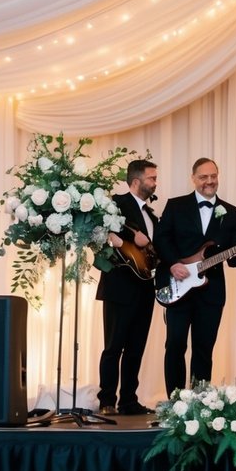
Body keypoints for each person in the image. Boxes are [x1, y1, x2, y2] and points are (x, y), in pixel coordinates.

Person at [154, 158, 236, 395]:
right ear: (193, 178)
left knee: (204, 349)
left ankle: (199, 402)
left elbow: (233, 260)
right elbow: (161, 240)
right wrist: (174, 264)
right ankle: (175, 400)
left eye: (213, 176)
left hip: (211, 292)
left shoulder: (232, 213)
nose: (209, 181)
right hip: (178, 286)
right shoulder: (176, 206)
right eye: (203, 177)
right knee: (175, 345)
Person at [95, 159, 159, 416]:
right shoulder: (115, 203)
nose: (155, 183)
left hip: (146, 288)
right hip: (120, 288)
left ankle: (129, 400)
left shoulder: (152, 215)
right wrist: (131, 237)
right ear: (135, 181)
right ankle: (107, 400)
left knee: (136, 348)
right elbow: (100, 224)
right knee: (113, 347)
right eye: (152, 178)